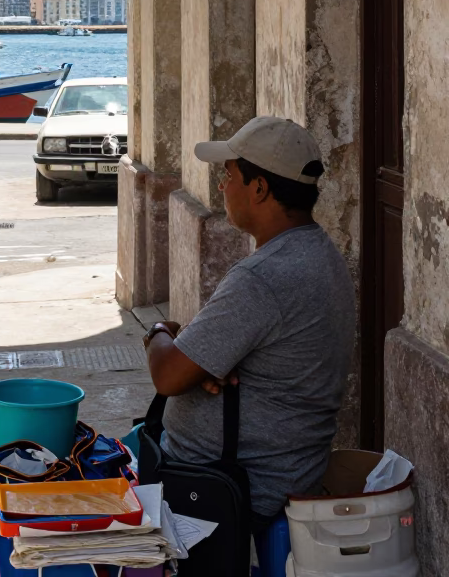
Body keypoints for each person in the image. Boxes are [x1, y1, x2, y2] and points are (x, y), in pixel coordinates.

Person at [143, 116, 355, 538]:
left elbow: (167, 375)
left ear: (259, 188)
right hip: (281, 470)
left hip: (231, 490)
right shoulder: (320, 253)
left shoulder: (264, 278)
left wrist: (160, 332)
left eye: (229, 175)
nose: (222, 187)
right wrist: (202, 360)